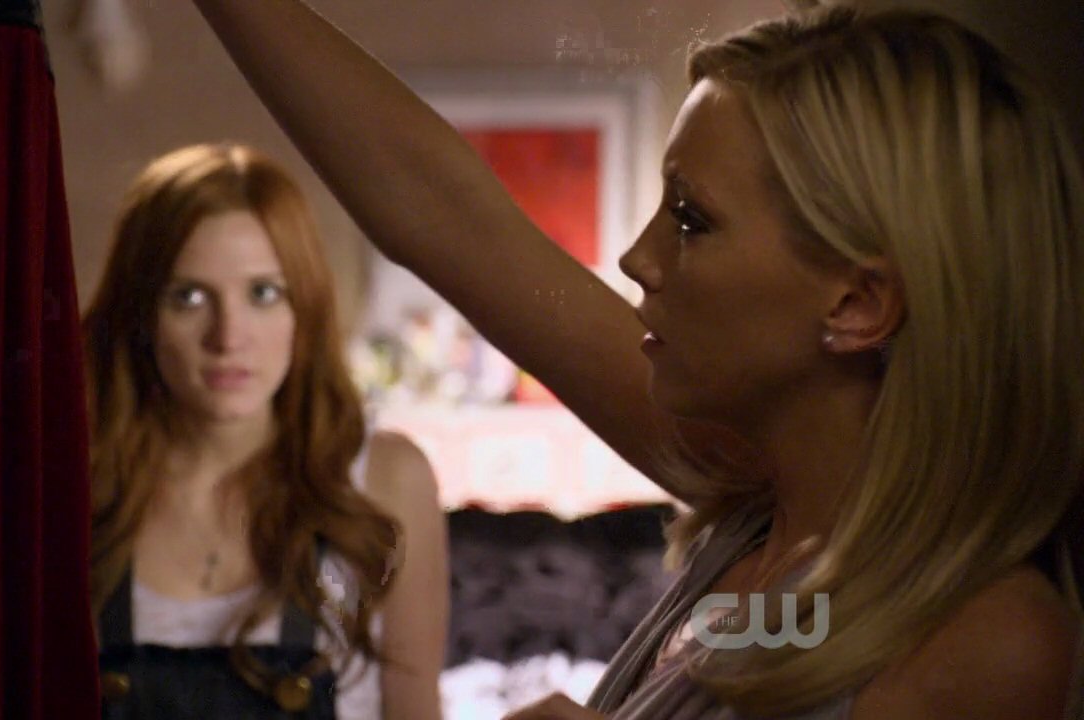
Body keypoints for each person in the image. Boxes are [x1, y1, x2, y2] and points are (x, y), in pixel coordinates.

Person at [186, 2, 1084, 719]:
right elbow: (446, 217)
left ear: (857, 304)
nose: (636, 258)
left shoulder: (986, 639)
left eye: (692, 220)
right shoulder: (768, 516)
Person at [82, 142, 448, 719]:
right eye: (189, 297)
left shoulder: (384, 479)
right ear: (140, 312)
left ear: (305, 306)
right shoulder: (76, 483)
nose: (228, 337)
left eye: (263, 293)